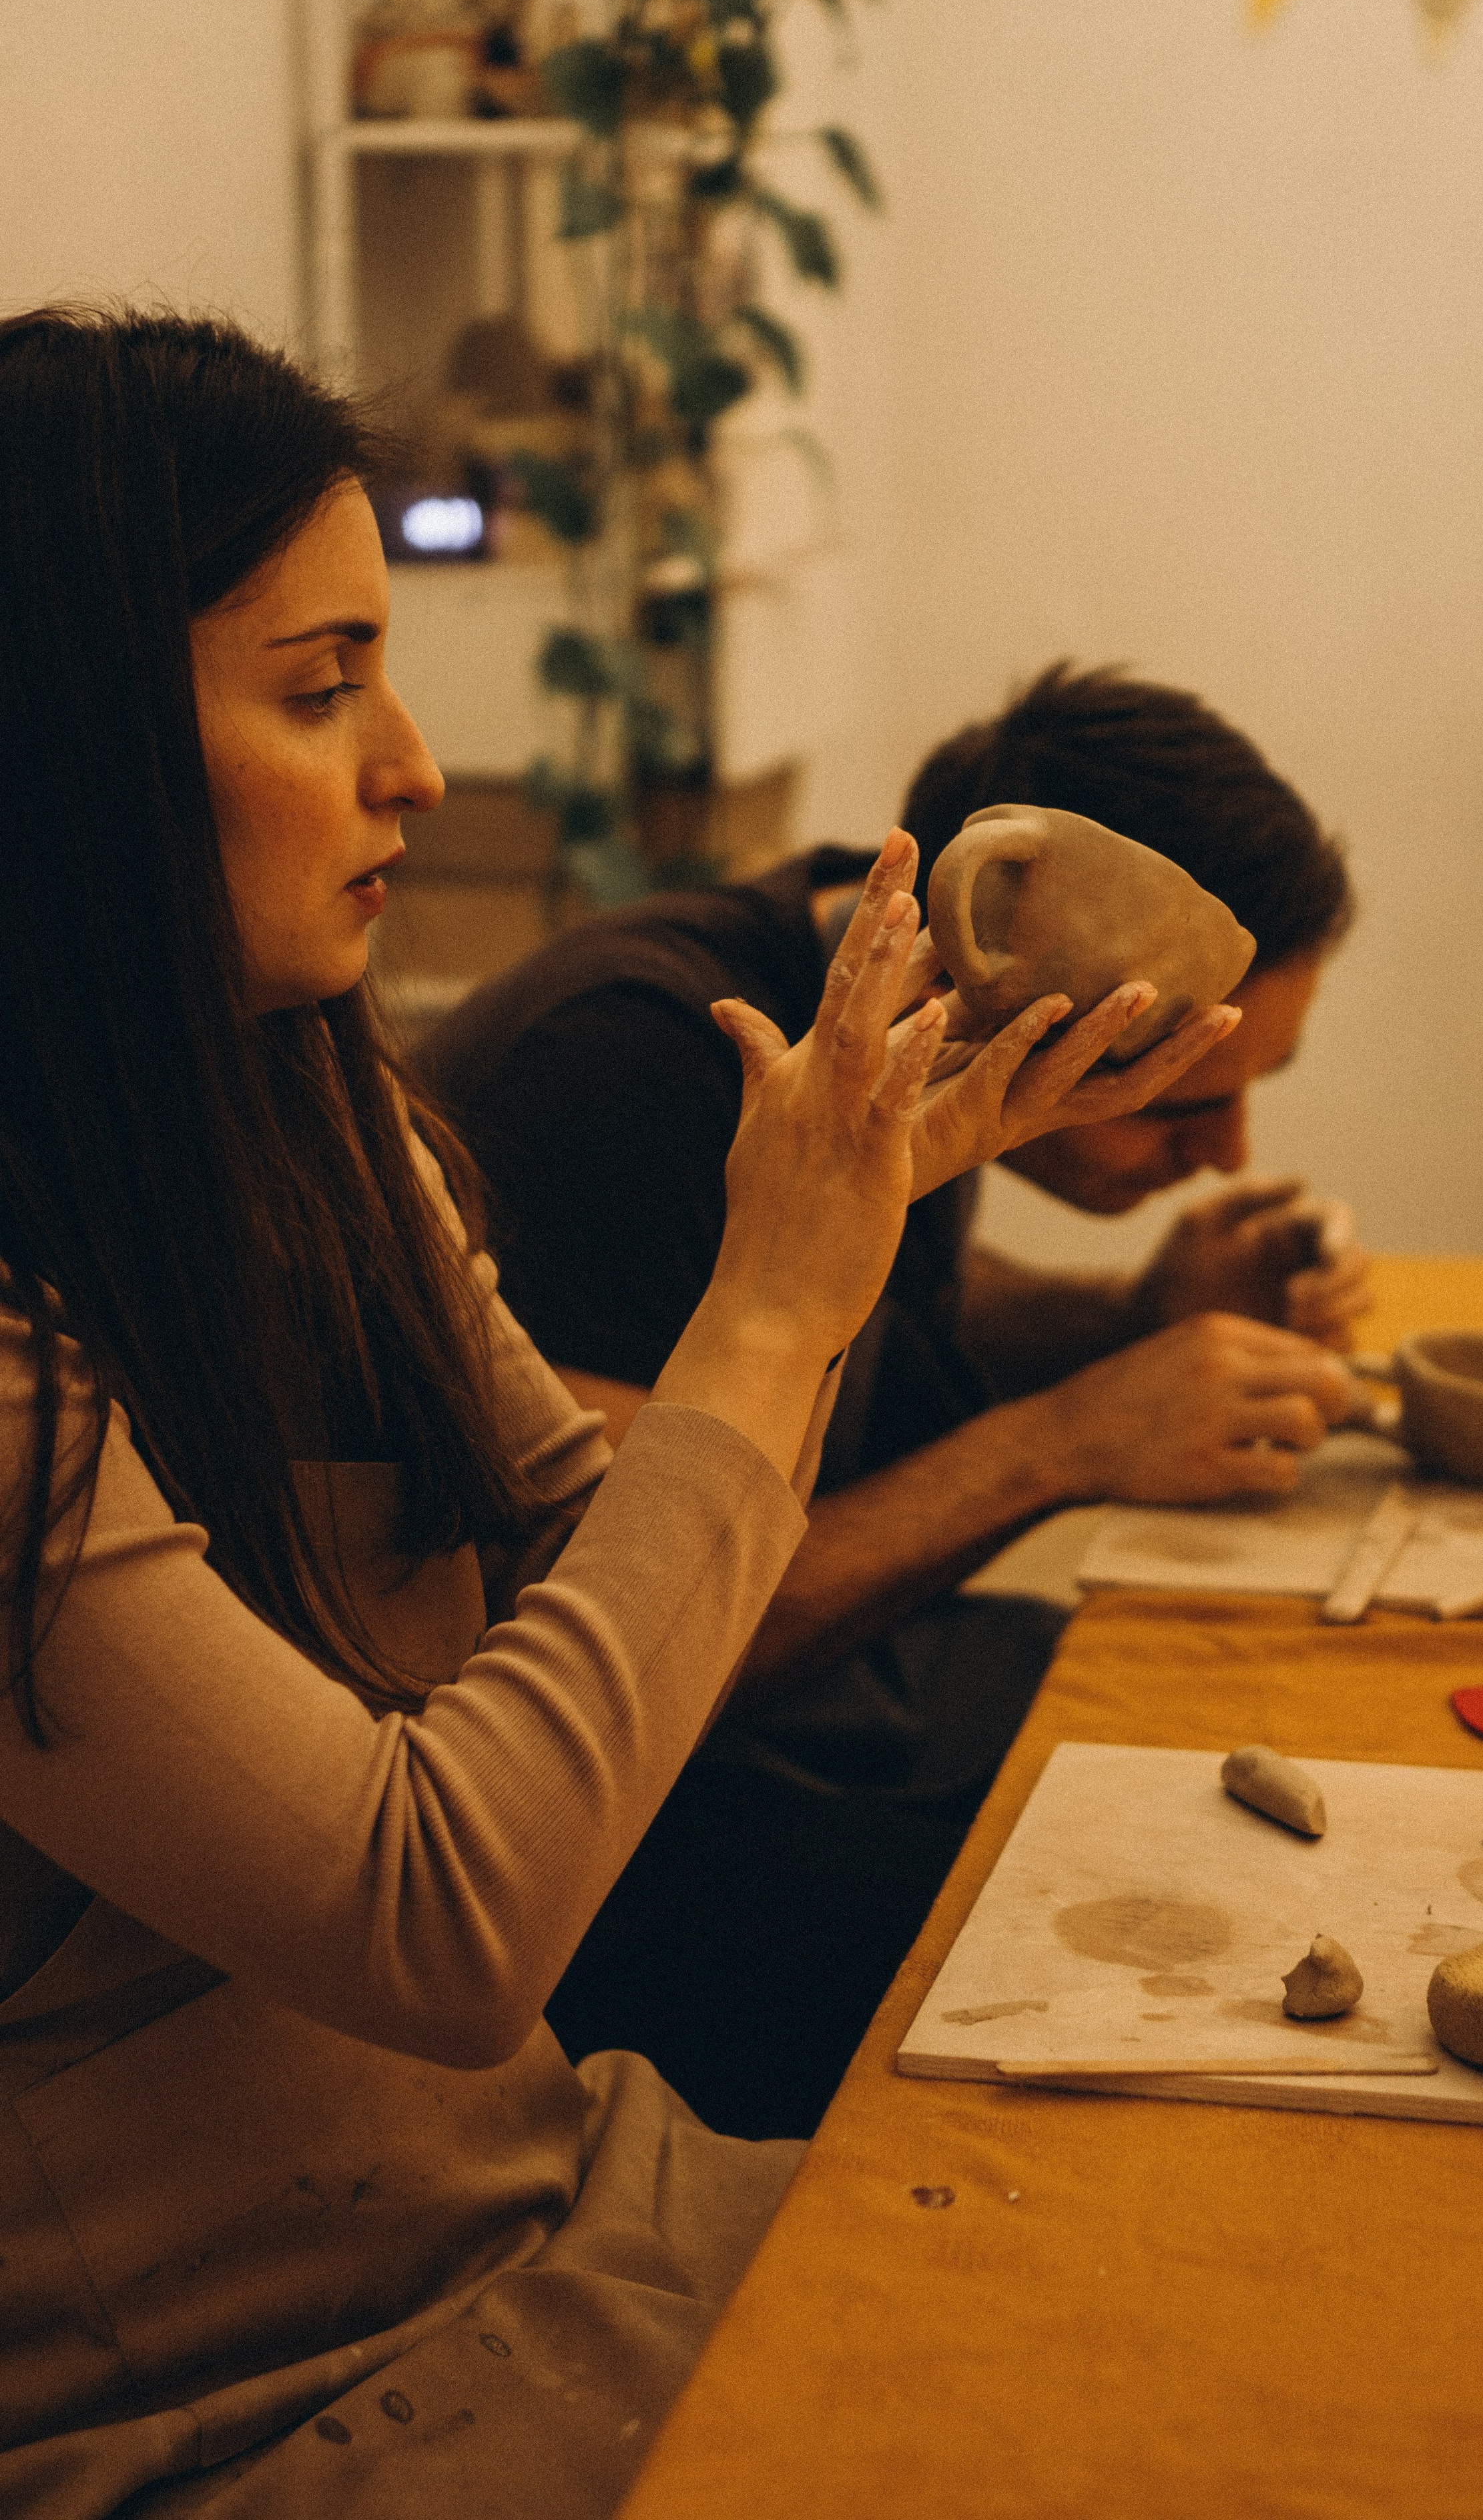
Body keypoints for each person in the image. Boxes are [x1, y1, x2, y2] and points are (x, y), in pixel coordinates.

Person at [0, 314, 1234, 2520]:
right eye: (317, 688)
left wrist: (856, 1224)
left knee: (1219, 2288)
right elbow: (443, 1925)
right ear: (63, 755)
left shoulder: (313, 1129)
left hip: (551, 2199)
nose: (413, 765)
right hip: (241, 2401)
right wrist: (778, 1303)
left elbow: (620, 1558)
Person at [418, 669, 1368, 2143]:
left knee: (1233, 1730)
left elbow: (898, 1324)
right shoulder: (638, 1072)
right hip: (599, 1861)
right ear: (1012, 947)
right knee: (1154, 1954)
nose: (1224, 1149)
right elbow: (629, 1648)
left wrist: (1127, 1323)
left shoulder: (894, 986)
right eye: (1183, 1097)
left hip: (814, 1711)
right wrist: (1065, 1444)